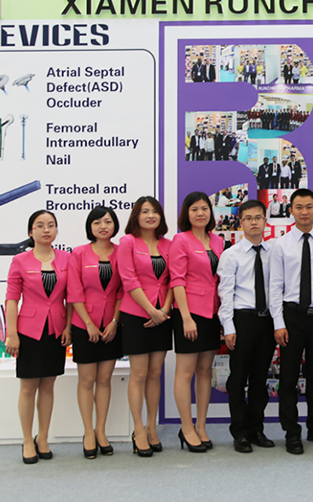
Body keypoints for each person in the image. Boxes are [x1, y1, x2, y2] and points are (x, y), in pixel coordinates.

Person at [269, 189, 313, 454]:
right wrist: (278, 323)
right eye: (298, 207)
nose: (304, 211)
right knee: (288, 378)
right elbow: (275, 286)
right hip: (291, 316)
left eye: (309, 206)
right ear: (290, 210)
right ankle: (291, 432)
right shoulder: (280, 245)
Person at [6, 210, 71, 464]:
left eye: (51, 225)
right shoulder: (20, 260)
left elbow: (71, 297)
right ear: (30, 232)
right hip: (28, 331)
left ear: (56, 231)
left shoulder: (66, 258)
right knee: (28, 387)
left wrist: (68, 327)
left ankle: (42, 438)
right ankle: (26, 440)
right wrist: (12, 334)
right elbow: (12, 299)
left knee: (48, 386)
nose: (46, 230)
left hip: (56, 329)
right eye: (40, 225)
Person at [118, 196, 173, 457]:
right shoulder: (128, 242)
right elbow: (128, 280)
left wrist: (164, 310)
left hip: (163, 315)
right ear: (136, 216)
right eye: (144, 211)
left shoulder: (168, 244)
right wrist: (151, 310)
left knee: (155, 373)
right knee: (139, 374)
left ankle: (152, 427)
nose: (150, 215)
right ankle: (138, 429)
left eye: (155, 211)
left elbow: (174, 280)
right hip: (136, 314)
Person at [220, 200, 277, 453]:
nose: (254, 222)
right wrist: (228, 327)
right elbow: (225, 294)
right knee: (238, 379)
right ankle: (240, 432)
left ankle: (256, 429)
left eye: (258, 217)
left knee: (259, 379)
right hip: (241, 320)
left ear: (265, 220)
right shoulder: (231, 255)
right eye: (248, 218)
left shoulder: (274, 253)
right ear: (240, 222)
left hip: (267, 321)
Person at [68, 206, 123, 459]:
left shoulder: (121, 252)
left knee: (104, 379)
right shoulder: (79, 253)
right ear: (90, 227)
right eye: (97, 222)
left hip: (111, 324)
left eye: (108, 221)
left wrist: (114, 321)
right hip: (84, 325)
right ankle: (88, 432)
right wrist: (88, 324)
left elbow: (123, 290)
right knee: (87, 380)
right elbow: (74, 291)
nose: (103, 226)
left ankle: (101, 431)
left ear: (115, 225)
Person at [169, 191, 224, 452]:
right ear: (186, 214)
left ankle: (201, 426)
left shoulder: (218, 240)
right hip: (189, 314)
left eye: (204, 208)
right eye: (194, 209)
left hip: (212, 313)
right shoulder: (180, 240)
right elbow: (177, 280)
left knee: (205, 371)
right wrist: (186, 318)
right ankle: (186, 427)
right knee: (185, 372)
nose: (200, 213)